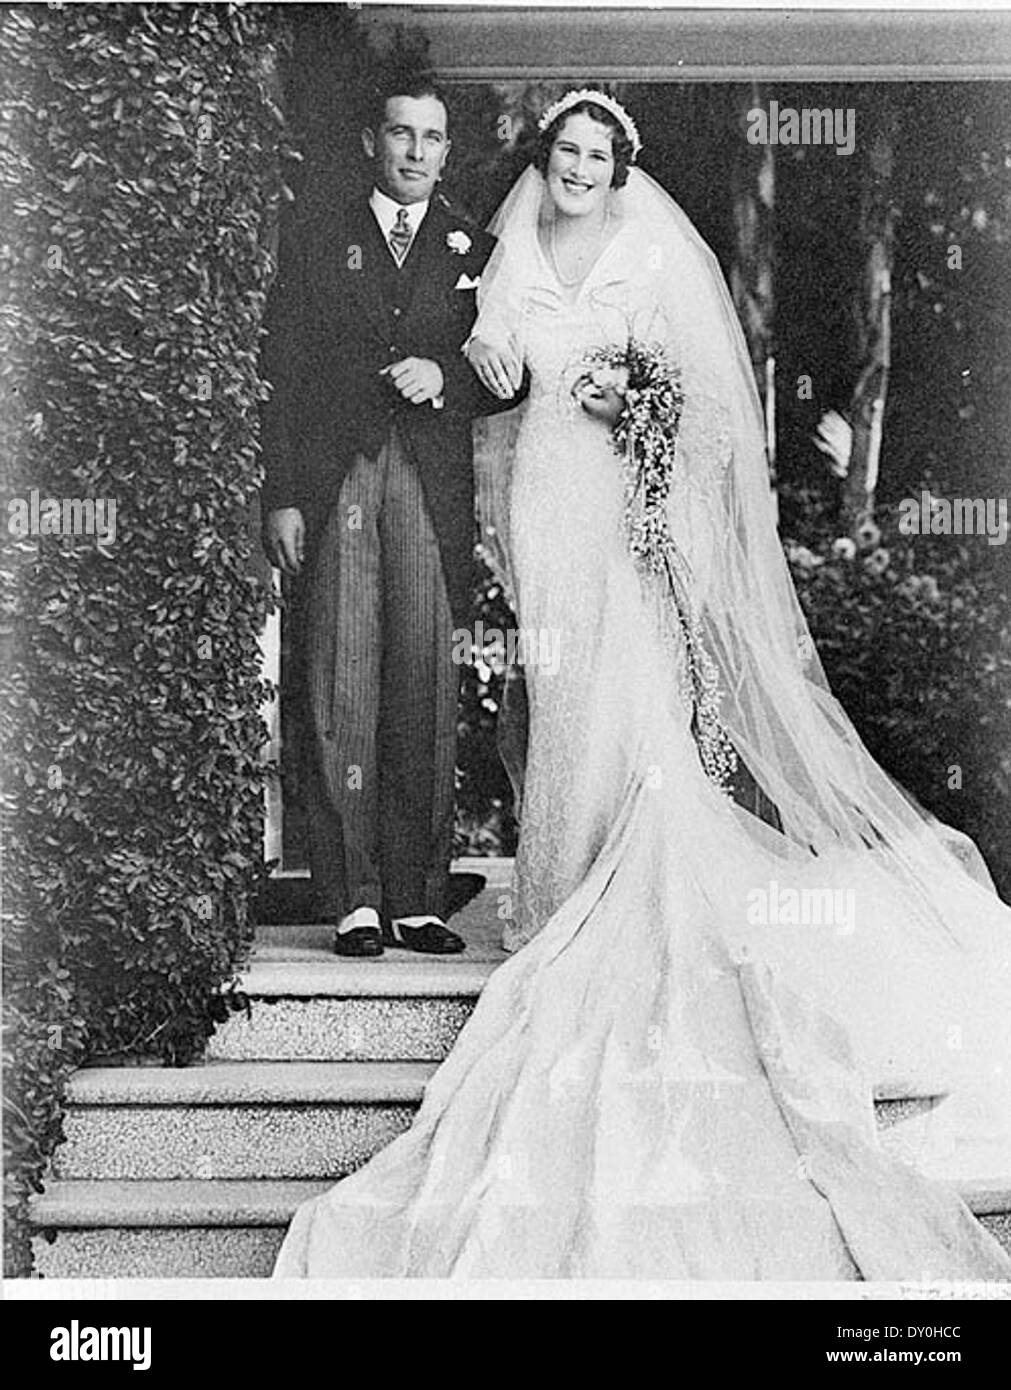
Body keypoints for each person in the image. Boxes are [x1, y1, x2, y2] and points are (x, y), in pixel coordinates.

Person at [273, 91, 1011, 1279]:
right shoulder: (499, 247)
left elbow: (709, 401)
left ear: (623, 165)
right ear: (546, 161)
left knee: (634, 683)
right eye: (562, 151)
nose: (574, 168)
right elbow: (492, 373)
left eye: (594, 155)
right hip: (545, 501)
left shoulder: (656, 246)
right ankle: (569, 878)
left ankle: (644, 863)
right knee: (562, 694)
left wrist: (645, 405)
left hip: (625, 497)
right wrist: (490, 379)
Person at [261, 73, 519, 957]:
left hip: (427, 484)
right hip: (339, 478)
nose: (415, 152)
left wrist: (446, 375)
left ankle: (415, 896)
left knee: (420, 682)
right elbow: (284, 368)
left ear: (448, 150)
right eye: (401, 134)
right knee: (340, 679)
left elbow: (514, 368)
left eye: (431, 138)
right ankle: (354, 899)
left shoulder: (473, 248)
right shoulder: (320, 237)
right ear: (373, 141)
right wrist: (283, 495)